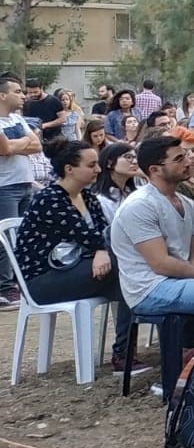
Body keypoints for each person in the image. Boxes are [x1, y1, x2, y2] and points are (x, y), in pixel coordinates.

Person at [109, 136, 194, 349]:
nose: (189, 161)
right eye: (179, 159)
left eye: (187, 155)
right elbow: (160, 264)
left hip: (179, 279)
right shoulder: (140, 205)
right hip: (150, 287)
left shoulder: (187, 203)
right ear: (155, 170)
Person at [13, 141, 139, 372]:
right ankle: (123, 355)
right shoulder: (49, 199)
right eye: (91, 165)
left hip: (76, 268)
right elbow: (85, 235)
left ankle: (126, 353)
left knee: (131, 277)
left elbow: (104, 233)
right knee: (125, 268)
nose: (98, 169)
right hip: (42, 279)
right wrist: (101, 249)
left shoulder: (88, 196)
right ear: (69, 169)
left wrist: (101, 250)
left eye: (97, 164)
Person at [0, 76, 42, 307]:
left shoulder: (17, 118)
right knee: (6, 237)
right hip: (4, 187)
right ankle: (5, 288)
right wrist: (23, 143)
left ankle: (23, 283)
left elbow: (37, 145)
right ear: (2, 95)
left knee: (25, 235)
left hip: (26, 184)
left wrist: (14, 146)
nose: (23, 95)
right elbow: (4, 148)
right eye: (17, 91)